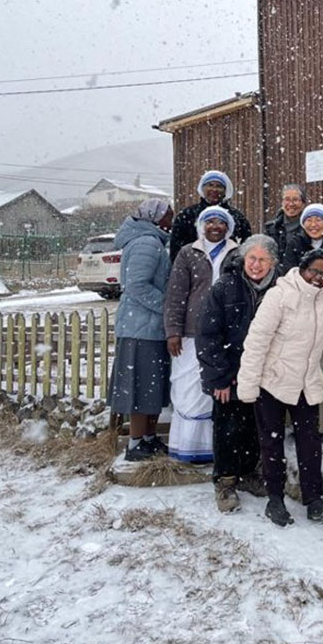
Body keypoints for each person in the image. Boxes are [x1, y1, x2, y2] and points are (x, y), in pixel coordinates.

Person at [236, 249, 323, 525]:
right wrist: (248, 383)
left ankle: (313, 500)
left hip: (307, 381)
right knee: (271, 442)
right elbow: (257, 341)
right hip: (273, 381)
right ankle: (274, 499)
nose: (318, 278)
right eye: (313, 271)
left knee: (310, 442)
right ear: (302, 269)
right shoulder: (281, 295)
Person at [195, 234, 281, 513]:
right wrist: (219, 376)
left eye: (262, 260)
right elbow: (208, 335)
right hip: (230, 373)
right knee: (228, 427)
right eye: (251, 258)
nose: (256, 265)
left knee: (257, 426)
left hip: (263, 374)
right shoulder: (225, 287)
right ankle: (226, 481)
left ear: (273, 263)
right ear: (243, 258)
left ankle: (248, 474)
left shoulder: (279, 289)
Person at [164, 206, 240, 463]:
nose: (215, 227)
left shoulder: (237, 253)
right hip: (191, 331)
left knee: (216, 388)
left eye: (221, 222)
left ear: (228, 227)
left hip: (224, 332)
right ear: (201, 226)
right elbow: (175, 295)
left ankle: (214, 447)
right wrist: (173, 330)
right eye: (210, 222)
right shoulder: (188, 253)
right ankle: (187, 447)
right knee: (189, 387)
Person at [108, 198, 174, 462]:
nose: (172, 218)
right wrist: (166, 307)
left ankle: (147, 438)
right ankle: (136, 443)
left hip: (148, 327)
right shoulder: (147, 243)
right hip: (140, 329)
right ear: (155, 217)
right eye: (169, 214)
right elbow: (137, 285)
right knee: (140, 387)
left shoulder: (152, 240)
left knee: (151, 385)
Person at [169, 169, 252, 262]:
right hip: (194, 270)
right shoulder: (186, 215)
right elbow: (176, 251)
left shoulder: (237, 218)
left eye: (219, 186)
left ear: (226, 191)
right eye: (210, 185)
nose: (214, 189)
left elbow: (247, 247)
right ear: (202, 188)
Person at [281, 203, 323, 272]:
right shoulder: (295, 244)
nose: (313, 225)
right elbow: (289, 274)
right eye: (309, 220)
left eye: (318, 220)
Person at [264, 183, 306, 262]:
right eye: (287, 199)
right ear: (282, 202)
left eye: (295, 199)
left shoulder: (309, 228)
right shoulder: (271, 229)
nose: (291, 204)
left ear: (303, 203)